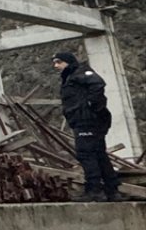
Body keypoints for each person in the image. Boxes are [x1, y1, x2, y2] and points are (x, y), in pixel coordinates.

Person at [52, 52, 121, 201]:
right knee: (99, 154)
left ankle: (94, 190)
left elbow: (97, 83)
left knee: (86, 154)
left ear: (68, 62)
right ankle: (112, 190)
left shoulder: (81, 72)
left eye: (58, 62)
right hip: (84, 120)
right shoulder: (70, 77)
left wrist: (92, 106)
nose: (56, 66)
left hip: (87, 121)